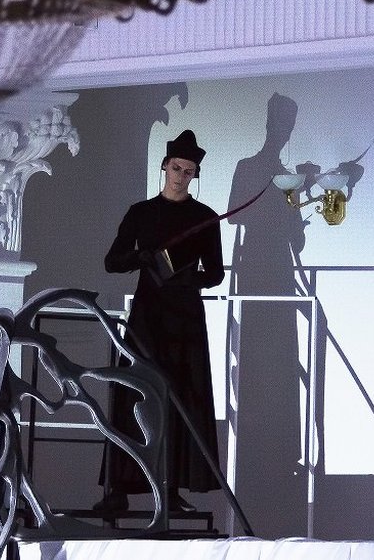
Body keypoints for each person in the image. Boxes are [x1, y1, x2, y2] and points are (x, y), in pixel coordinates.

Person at [95, 130, 224, 513]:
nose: (181, 176)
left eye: (188, 171)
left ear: (195, 175)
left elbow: (215, 273)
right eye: (176, 168)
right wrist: (142, 257)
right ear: (165, 166)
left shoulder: (205, 217)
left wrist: (187, 279)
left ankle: (170, 489)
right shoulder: (141, 212)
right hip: (148, 316)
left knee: (181, 395)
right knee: (135, 392)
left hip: (185, 319)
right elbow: (112, 261)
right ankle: (118, 488)